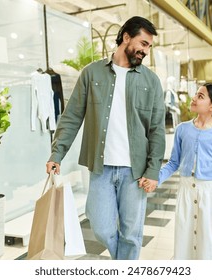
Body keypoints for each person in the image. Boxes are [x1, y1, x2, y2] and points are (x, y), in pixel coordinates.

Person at [46, 16, 166, 260]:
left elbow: (156, 129)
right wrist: (56, 154)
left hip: (136, 171)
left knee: (132, 234)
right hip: (101, 168)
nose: (145, 51)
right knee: (101, 227)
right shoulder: (91, 74)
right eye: (143, 43)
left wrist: (153, 170)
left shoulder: (150, 81)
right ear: (126, 37)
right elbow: (72, 117)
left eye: (149, 47)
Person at [144, 83, 212, 259]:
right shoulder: (182, 129)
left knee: (209, 245)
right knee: (186, 242)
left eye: (200, 96)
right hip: (186, 192)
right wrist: (155, 179)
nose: (194, 98)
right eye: (196, 94)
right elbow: (173, 163)